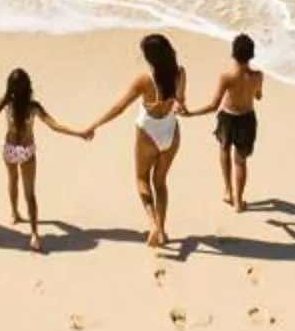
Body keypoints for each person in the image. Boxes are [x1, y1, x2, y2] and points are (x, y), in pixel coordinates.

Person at [0, 68, 89, 254]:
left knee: (12, 180)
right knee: (30, 193)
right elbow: (54, 126)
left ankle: (14, 213)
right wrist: (79, 133)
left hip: (10, 149)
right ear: (28, 86)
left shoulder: (6, 103)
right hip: (27, 151)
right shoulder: (33, 106)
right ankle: (34, 234)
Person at [86, 32, 188, 252]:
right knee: (160, 182)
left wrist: (94, 125)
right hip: (170, 132)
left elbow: (119, 108)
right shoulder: (180, 73)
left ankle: (153, 225)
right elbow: (181, 103)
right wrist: (176, 105)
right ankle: (162, 231)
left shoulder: (145, 80)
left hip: (148, 133)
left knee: (141, 178)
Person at [197, 32, 266, 213]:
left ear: (233, 53)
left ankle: (228, 191)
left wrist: (191, 114)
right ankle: (238, 202)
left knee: (224, 149)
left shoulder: (226, 77)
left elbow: (214, 105)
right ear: (252, 55)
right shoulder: (258, 76)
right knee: (241, 162)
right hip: (247, 119)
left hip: (227, 117)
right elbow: (258, 96)